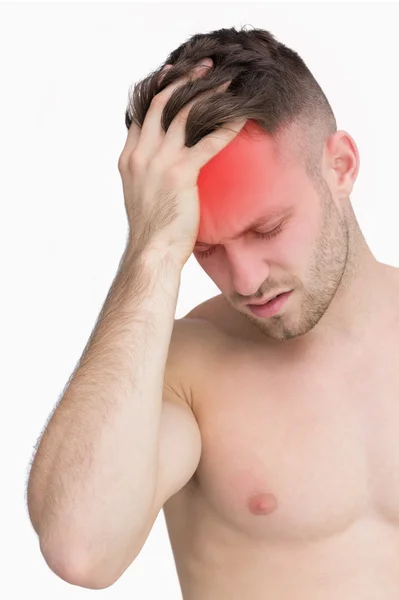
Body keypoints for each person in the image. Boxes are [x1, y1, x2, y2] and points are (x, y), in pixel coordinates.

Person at [26, 25, 399, 599]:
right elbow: (81, 551)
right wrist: (153, 248)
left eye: (267, 228)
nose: (245, 280)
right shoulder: (182, 372)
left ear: (341, 166)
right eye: (205, 249)